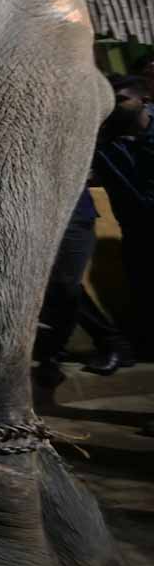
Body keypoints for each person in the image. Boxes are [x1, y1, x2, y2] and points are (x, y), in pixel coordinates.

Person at [34, 184, 136, 383]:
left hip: (74, 214)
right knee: (51, 284)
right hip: (33, 215)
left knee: (63, 284)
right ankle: (110, 343)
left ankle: (55, 356)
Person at [91, 76, 154, 358]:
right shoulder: (103, 144)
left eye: (120, 98)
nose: (113, 105)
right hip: (137, 235)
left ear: (144, 100)